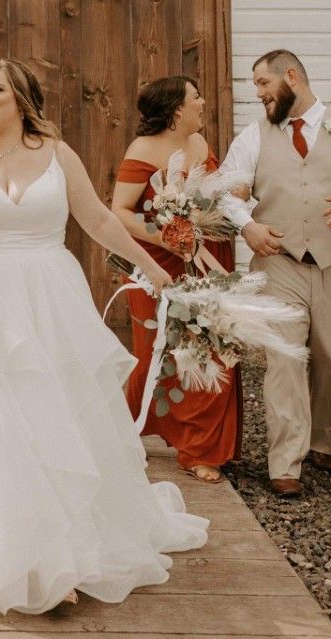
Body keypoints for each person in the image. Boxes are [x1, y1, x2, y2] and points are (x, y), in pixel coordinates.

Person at [0, 58, 205, 615]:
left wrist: (148, 266)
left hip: (53, 296)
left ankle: (74, 545)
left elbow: (100, 220)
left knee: (62, 412)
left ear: (22, 99)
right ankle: (30, 554)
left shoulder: (57, 155)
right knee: (6, 421)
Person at [215, 49, 331, 500]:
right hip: (278, 263)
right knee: (285, 361)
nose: (257, 94)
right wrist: (248, 225)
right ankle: (285, 463)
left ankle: (322, 441)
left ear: (291, 76)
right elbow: (228, 191)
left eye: (262, 83)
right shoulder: (252, 138)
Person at [109, 75, 240, 483]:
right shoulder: (143, 150)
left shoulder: (199, 143)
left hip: (207, 259)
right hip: (159, 263)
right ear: (177, 109)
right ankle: (114, 431)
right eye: (196, 96)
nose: (203, 102)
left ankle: (199, 449)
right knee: (158, 352)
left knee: (213, 347)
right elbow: (121, 212)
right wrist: (168, 235)